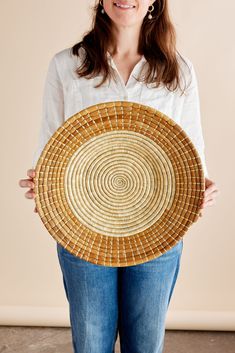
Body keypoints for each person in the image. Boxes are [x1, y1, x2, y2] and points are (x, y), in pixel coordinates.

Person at [19, 1, 219, 352]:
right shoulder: (67, 66)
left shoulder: (179, 70)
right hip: (82, 228)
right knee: (92, 344)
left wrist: (201, 188)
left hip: (160, 227)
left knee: (145, 346)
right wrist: (43, 183)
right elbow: (50, 145)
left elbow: (192, 155)